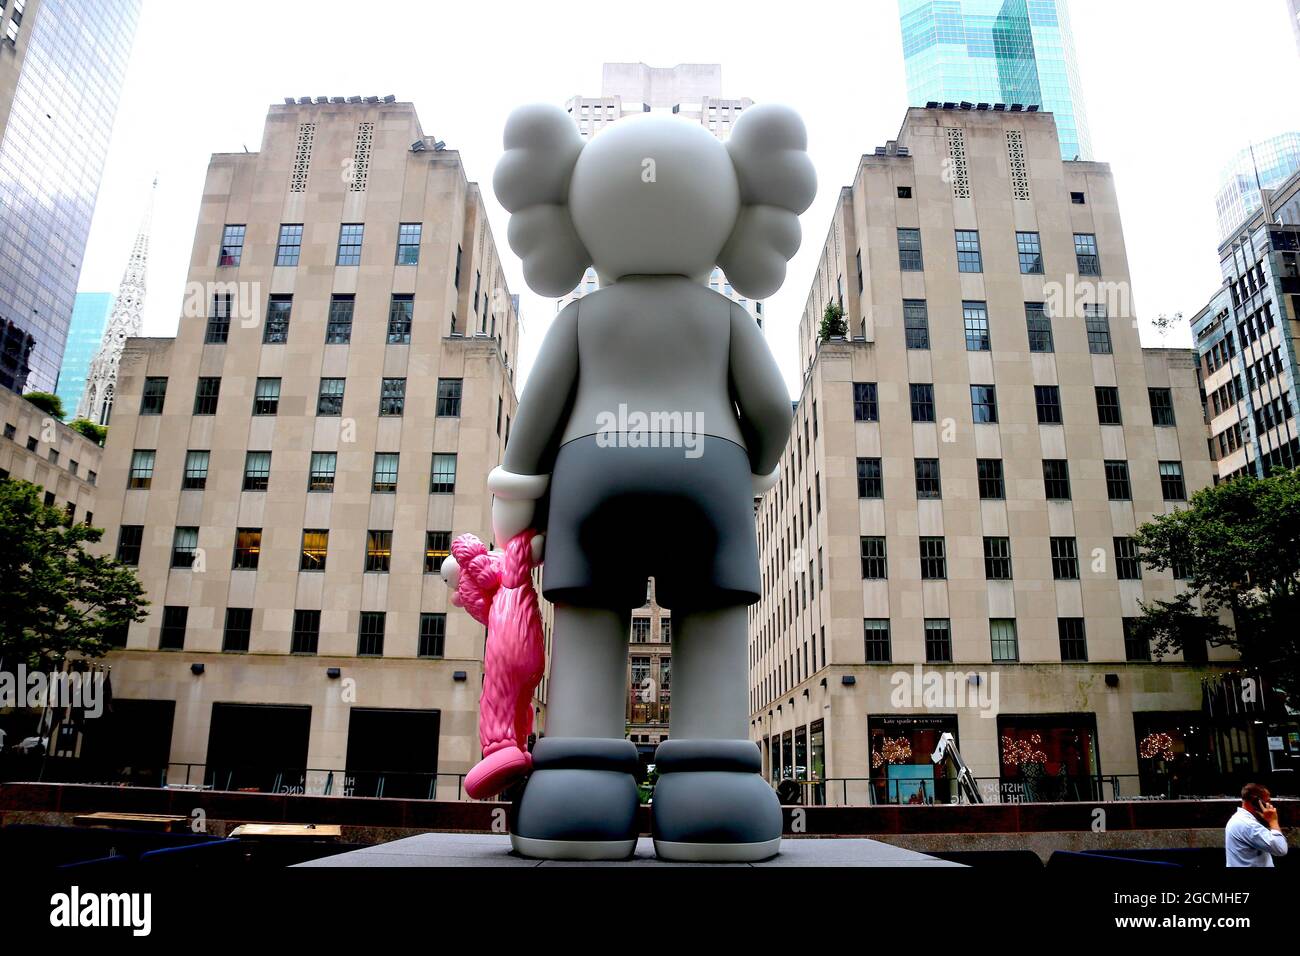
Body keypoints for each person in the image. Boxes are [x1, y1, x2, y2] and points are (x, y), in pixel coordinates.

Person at [1225, 783, 1289, 867]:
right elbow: (1280, 849)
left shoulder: (1239, 819)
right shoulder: (1247, 825)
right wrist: (1273, 821)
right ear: (1256, 802)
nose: (1270, 806)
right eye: (1268, 801)